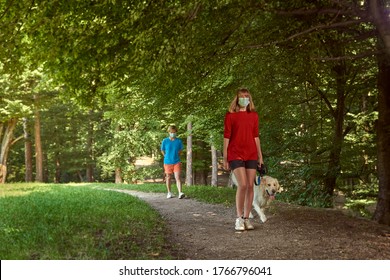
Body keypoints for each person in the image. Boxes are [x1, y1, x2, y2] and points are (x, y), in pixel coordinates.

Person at [223, 88, 264, 231]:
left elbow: (256, 137)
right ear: (237, 99)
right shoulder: (230, 116)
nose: (244, 98)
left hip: (251, 153)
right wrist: (225, 157)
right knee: (243, 184)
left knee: (251, 186)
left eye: (247, 96)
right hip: (235, 153)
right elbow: (226, 137)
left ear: (250, 99)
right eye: (241, 96)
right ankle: (239, 218)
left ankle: (247, 218)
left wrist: (260, 156)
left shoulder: (254, 116)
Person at [161, 125, 185, 199]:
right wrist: (165, 156)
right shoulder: (165, 141)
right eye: (171, 132)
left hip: (176, 161)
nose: (173, 134)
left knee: (177, 177)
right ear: (169, 132)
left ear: (176, 132)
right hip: (167, 162)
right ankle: (169, 192)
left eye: (174, 132)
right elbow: (162, 150)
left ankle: (180, 193)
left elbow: (181, 150)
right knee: (168, 177)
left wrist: (177, 155)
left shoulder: (178, 141)